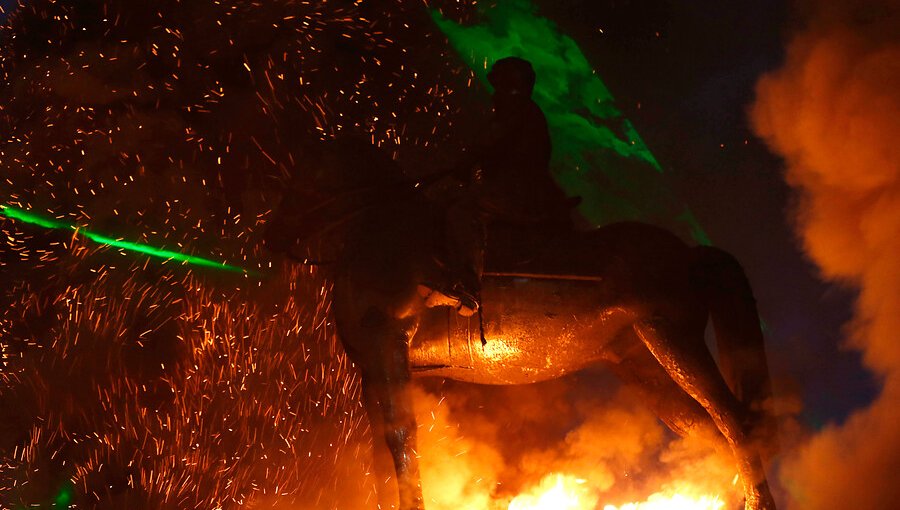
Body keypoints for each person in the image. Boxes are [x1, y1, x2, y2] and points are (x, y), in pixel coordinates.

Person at [419, 57, 576, 316]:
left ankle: (466, 288)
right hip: (517, 187)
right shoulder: (521, 111)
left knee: (464, 211)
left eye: (501, 86)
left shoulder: (518, 112)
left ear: (512, 86)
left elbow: (489, 145)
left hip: (522, 193)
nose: (496, 92)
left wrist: (466, 164)